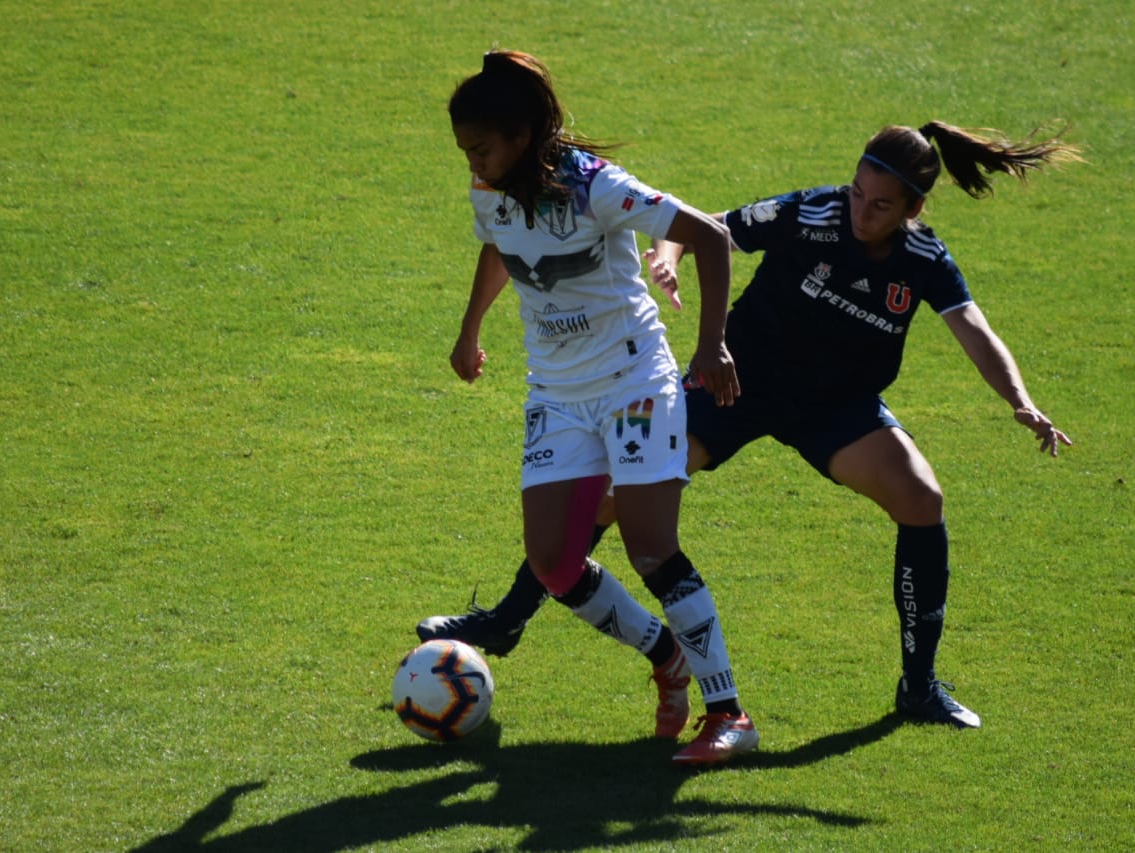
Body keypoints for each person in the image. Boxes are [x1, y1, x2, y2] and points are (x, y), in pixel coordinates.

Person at [421, 118, 1082, 730]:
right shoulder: (812, 212)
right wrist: (668, 258)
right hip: (734, 384)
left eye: (879, 206)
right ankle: (509, 619)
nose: (859, 211)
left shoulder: (925, 261)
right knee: (617, 498)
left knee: (922, 500)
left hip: (835, 408)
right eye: (856, 193)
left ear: (912, 210)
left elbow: (975, 331)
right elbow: (708, 226)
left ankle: (918, 686)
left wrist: (1020, 401)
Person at [443, 49, 757, 765]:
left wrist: (713, 345)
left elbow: (709, 235)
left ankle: (729, 711)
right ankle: (666, 654)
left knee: (651, 545)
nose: (475, 162)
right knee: (553, 562)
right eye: (465, 150)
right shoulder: (488, 186)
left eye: (483, 147)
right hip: (556, 392)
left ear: (521, 135)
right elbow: (498, 244)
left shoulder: (595, 188)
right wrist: (469, 328)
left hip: (634, 383)